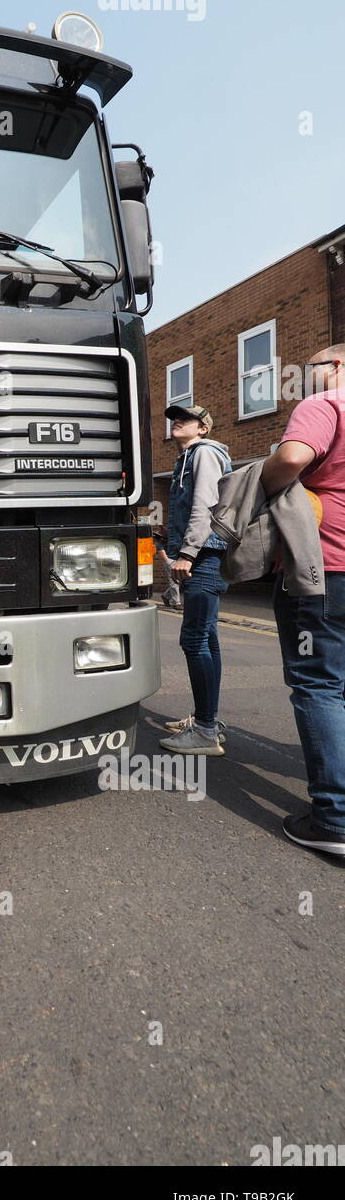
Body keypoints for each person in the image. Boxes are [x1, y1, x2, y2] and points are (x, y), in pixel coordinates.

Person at [261, 344, 345, 858]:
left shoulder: (327, 405)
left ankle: (334, 819)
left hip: (324, 567)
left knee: (319, 684)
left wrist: (269, 486)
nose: (306, 376)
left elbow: (292, 458)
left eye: (312, 367)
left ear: (336, 365)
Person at [159, 405, 232, 755]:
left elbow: (205, 505)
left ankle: (204, 731)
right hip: (201, 556)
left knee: (194, 640)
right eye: (175, 418)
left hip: (202, 557)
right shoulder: (188, 457)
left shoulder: (204, 453)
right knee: (208, 637)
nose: (177, 422)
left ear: (203, 428)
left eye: (186, 419)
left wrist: (187, 553)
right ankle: (209, 720)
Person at [153, 525, 182, 609]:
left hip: (175, 561)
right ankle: (176, 603)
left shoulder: (169, 543)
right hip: (170, 562)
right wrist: (170, 564)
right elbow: (164, 557)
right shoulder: (159, 545)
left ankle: (166, 596)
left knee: (177, 582)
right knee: (174, 582)